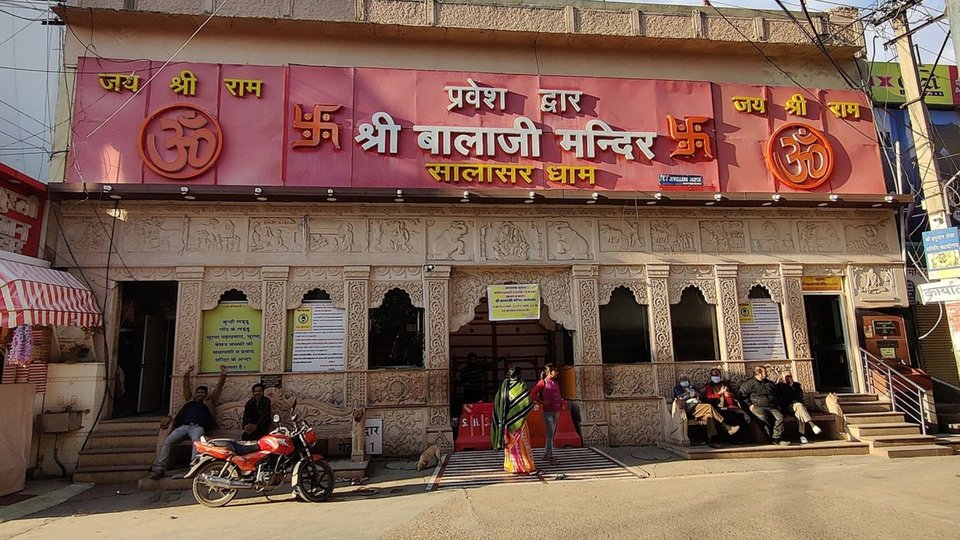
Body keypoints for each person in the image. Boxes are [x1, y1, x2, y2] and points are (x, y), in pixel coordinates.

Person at [150, 365, 227, 479]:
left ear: (205, 394)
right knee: (168, 441)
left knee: (196, 443)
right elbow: (186, 388)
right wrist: (187, 374)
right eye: (198, 393)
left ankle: (194, 466)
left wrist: (223, 375)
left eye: (202, 393)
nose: (200, 394)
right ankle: (159, 467)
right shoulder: (190, 401)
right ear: (195, 394)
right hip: (184, 426)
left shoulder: (209, 401)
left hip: (197, 427)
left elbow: (218, 389)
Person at [491, 366, 538, 475]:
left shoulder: (504, 386)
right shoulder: (521, 385)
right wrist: (532, 405)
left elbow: (498, 402)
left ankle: (512, 467)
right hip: (519, 421)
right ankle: (526, 466)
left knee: (511, 445)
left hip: (506, 421)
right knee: (521, 443)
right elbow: (525, 401)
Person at [674, 375, 739, 446]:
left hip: (699, 406)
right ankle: (727, 427)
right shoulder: (678, 388)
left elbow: (701, 395)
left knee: (709, 416)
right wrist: (691, 394)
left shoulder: (693, 387)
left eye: (685, 379)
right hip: (690, 407)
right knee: (708, 406)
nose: (684, 381)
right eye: (682, 379)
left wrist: (697, 394)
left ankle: (712, 439)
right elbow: (680, 397)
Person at [739, 366, 788, 446]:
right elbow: (742, 396)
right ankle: (769, 436)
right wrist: (750, 405)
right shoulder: (748, 384)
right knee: (763, 416)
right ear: (758, 373)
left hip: (771, 406)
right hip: (757, 406)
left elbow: (776, 394)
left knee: (780, 417)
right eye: (765, 373)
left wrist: (777, 404)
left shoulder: (769, 383)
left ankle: (776, 437)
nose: (766, 374)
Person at [775, 370, 822, 444]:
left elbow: (799, 397)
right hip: (787, 406)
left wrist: (793, 387)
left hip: (798, 406)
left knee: (800, 412)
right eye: (787, 376)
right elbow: (783, 399)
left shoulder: (796, 385)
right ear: (783, 377)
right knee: (800, 407)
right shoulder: (779, 386)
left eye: (790, 376)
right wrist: (790, 388)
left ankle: (802, 435)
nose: (789, 378)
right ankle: (812, 425)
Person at [531, 363, 563, 465]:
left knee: (551, 434)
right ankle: (550, 456)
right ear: (550, 372)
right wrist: (541, 402)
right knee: (550, 434)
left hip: (556, 410)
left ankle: (546, 453)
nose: (557, 372)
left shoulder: (555, 382)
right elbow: (532, 393)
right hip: (548, 412)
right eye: (555, 371)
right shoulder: (543, 382)